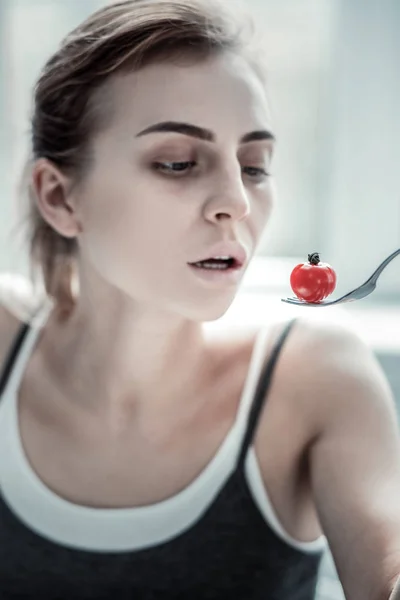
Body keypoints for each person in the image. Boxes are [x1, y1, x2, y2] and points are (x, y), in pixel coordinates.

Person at [0, 0, 400, 598]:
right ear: (59, 197)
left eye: (255, 166)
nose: (236, 202)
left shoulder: (316, 377)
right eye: (179, 162)